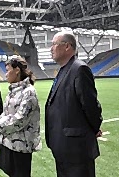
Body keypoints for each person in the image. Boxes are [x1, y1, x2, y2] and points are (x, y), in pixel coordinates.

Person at [45, 32, 103, 177]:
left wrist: (95, 127)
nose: (51, 49)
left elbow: (90, 105)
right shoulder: (65, 69)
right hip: (64, 148)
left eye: (54, 44)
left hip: (76, 150)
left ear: (67, 46)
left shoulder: (79, 69)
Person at [0, 57, 41, 177]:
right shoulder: (13, 91)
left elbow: (20, 119)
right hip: (10, 143)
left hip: (22, 146)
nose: (5, 75)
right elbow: (5, 113)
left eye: (7, 70)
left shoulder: (29, 92)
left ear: (17, 70)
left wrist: (0, 125)